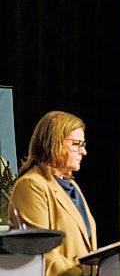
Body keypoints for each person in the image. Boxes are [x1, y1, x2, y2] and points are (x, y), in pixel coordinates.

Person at [9, 111, 97, 276]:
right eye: (76, 144)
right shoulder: (31, 185)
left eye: (83, 144)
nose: (83, 152)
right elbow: (40, 251)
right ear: (54, 143)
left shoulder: (72, 186)